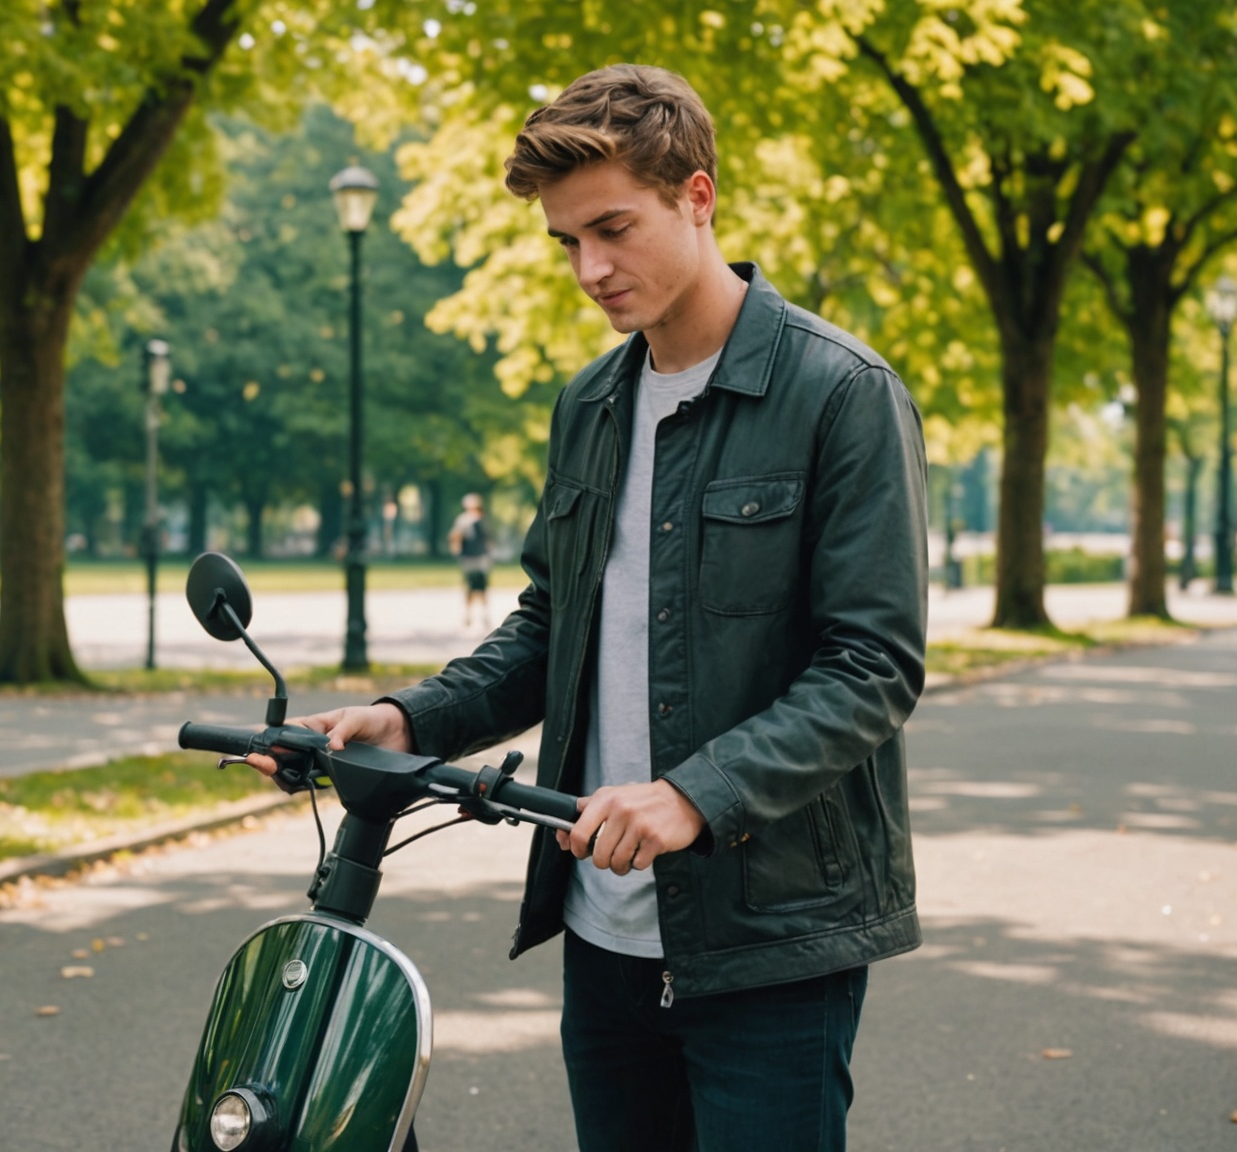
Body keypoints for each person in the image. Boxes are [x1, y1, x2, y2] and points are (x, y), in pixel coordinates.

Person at [249, 64, 927, 1151]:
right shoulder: (594, 403)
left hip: (770, 940)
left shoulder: (838, 392)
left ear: (697, 196)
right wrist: (411, 719)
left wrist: (693, 795)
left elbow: (871, 666)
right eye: (566, 241)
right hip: (601, 930)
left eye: (612, 228)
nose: (590, 268)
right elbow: (549, 627)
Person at [448, 492, 493, 626]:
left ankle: (484, 615)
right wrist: (456, 546)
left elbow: (488, 538)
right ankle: (468, 615)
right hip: (469, 557)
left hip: (481, 557)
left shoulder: (482, 519)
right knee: (469, 586)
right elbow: (455, 536)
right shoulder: (463, 520)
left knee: (482, 587)